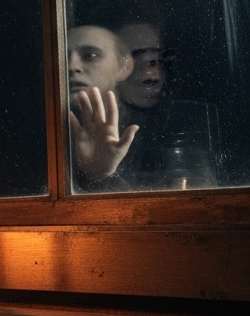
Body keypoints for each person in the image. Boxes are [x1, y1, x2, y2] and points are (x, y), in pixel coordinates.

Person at [115, 20, 223, 189]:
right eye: (137, 56)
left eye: (158, 60)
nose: (153, 73)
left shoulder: (191, 119)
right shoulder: (91, 122)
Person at [67, 24, 138, 190]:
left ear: (124, 67)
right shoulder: (43, 134)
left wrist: (101, 176)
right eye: (62, 57)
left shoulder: (155, 132)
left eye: (90, 55)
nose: (71, 67)